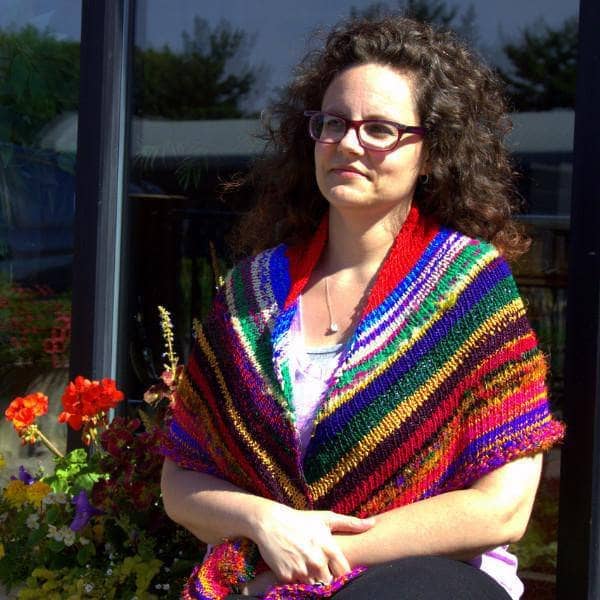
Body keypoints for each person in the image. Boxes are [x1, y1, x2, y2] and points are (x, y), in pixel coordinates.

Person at [160, 15, 564, 600]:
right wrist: (264, 521)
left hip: (427, 584)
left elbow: (501, 510)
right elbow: (181, 478)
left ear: (431, 151)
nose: (348, 143)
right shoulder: (251, 293)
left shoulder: (468, 287)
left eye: (379, 129)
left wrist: (310, 557)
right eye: (332, 124)